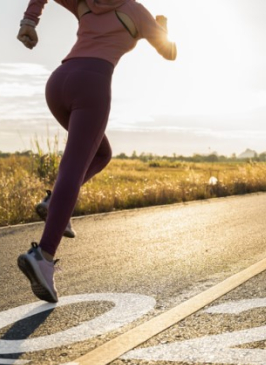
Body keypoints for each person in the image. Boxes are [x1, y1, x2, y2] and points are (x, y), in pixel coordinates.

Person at [16, 0, 177, 303]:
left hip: (59, 82)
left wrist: (29, 22)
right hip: (92, 83)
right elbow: (170, 53)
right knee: (73, 168)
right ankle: (44, 256)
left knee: (101, 154)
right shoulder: (136, 11)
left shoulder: (85, 2)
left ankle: (54, 205)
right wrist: (162, 29)